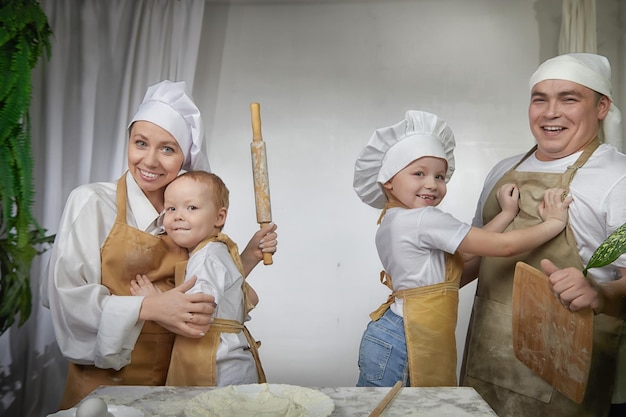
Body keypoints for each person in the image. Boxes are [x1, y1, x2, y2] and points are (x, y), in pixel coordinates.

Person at [42, 80, 278, 409]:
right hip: (104, 388)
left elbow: (204, 290)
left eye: (168, 148)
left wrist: (246, 259)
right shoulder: (92, 202)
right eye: (141, 143)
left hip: (176, 382)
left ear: (185, 157)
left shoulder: (188, 215)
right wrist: (149, 307)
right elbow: (68, 300)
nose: (150, 160)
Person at [352, 110, 571, 388]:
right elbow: (502, 247)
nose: (431, 184)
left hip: (391, 334)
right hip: (406, 338)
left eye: (440, 176)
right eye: (418, 173)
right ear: (388, 180)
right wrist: (553, 222)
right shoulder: (423, 219)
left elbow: (466, 252)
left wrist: (505, 214)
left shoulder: (394, 218)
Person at [460, 53, 626, 417]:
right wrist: (420, 278)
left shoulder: (618, 178)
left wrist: (599, 293)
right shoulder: (504, 170)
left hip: (565, 376)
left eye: (569, 98)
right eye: (540, 99)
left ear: (602, 107)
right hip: (486, 364)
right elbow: (475, 257)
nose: (550, 112)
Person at [129, 170, 266, 386]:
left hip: (217, 370)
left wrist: (154, 302)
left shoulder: (206, 257)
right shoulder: (216, 250)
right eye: (171, 208)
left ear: (219, 217)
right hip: (232, 366)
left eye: (191, 207)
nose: (178, 215)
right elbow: (247, 296)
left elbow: (196, 321)